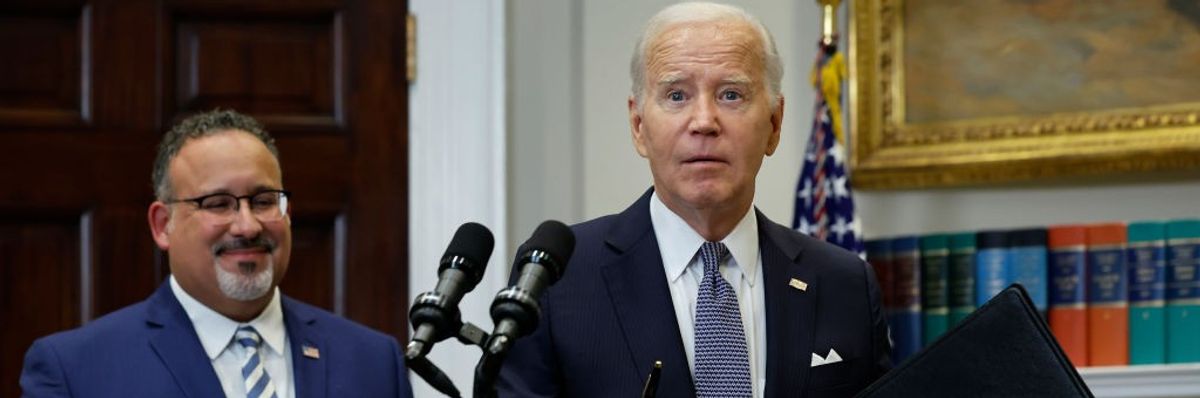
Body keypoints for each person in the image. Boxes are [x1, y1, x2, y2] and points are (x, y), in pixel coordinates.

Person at [497, 3, 890, 397]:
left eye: (731, 94)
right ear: (638, 126)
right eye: (677, 95)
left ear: (774, 124)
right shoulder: (557, 279)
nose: (704, 121)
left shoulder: (845, 284)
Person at [20, 110, 413, 398]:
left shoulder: (373, 362)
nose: (247, 225)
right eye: (218, 203)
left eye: (262, 200)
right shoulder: (77, 371)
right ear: (162, 225)